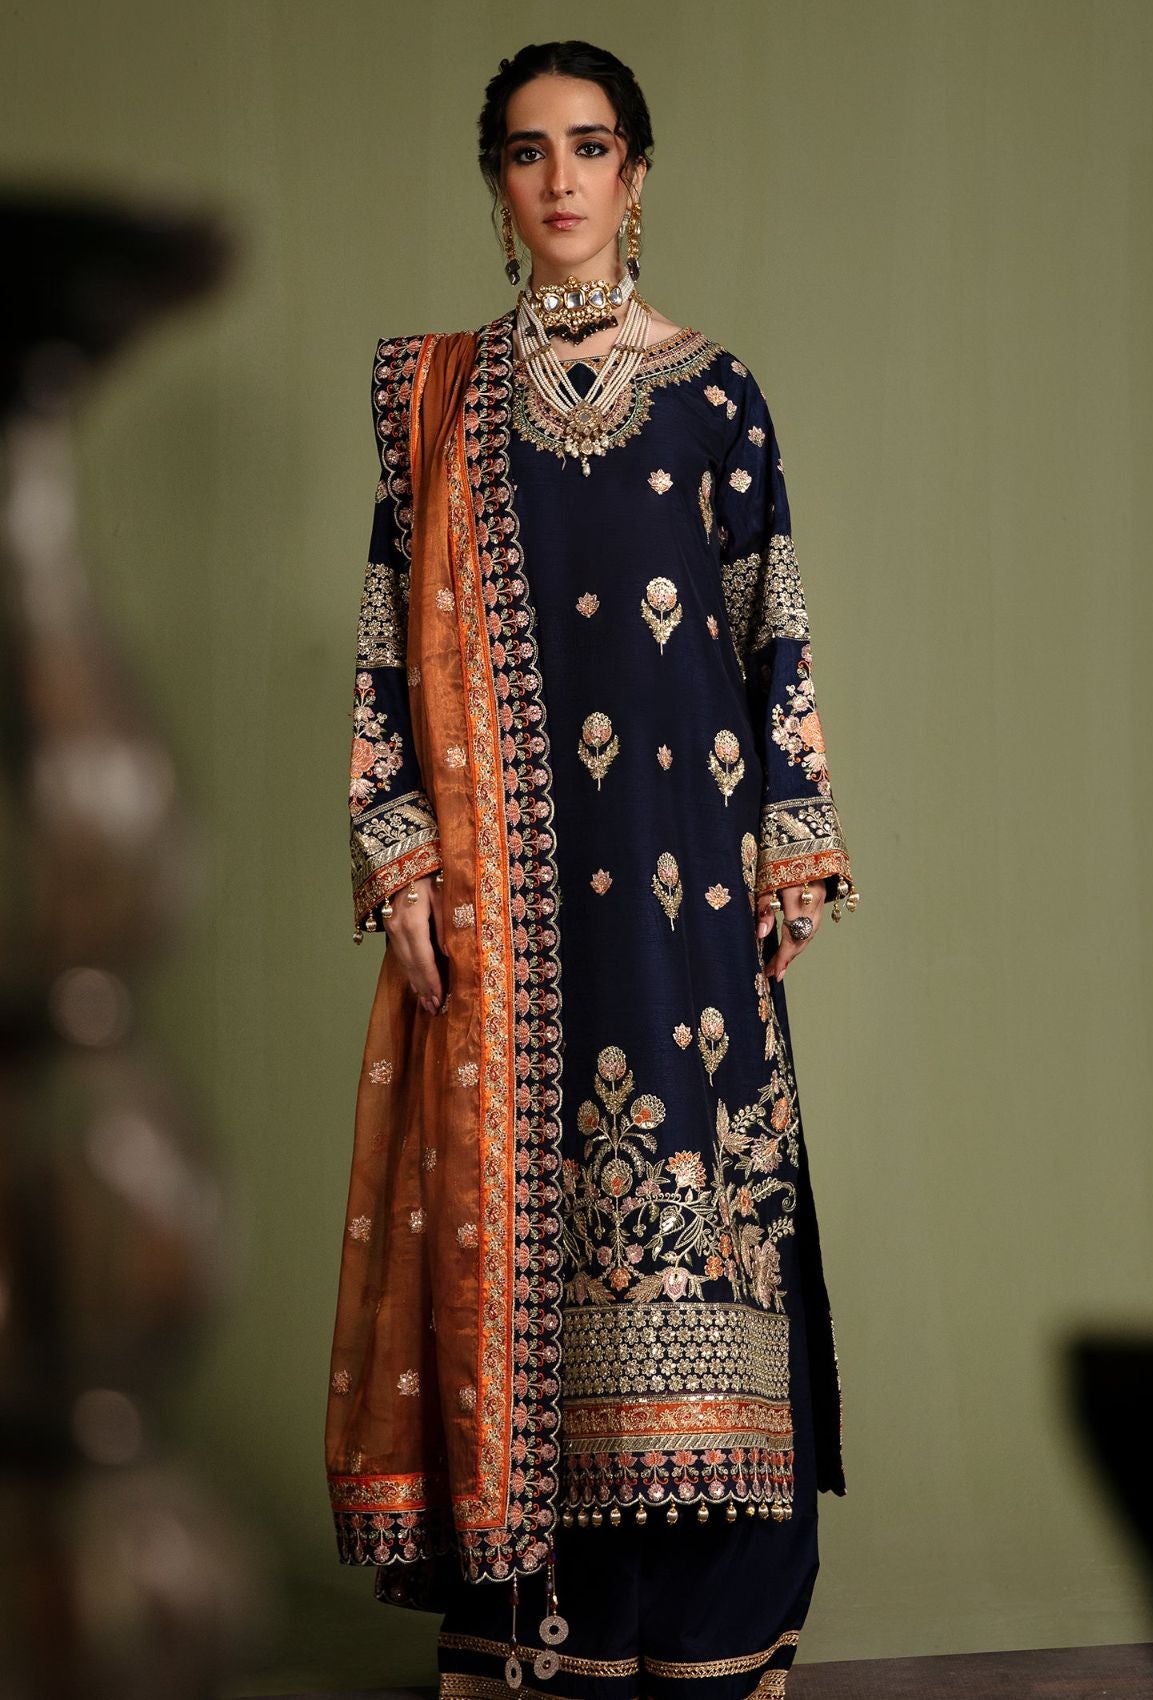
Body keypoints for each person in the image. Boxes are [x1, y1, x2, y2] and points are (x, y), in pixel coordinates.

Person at [325, 39, 859, 1700]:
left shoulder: (716, 395)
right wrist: (401, 859)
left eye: (590, 146)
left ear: (636, 176)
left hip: (685, 890)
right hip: (505, 907)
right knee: (518, 1244)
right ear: (498, 185)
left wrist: (793, 840)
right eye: (526, 150)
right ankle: (530, 1644)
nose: (558, 178)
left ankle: (707, 1638)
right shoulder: (445, 405)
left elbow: (773, 631)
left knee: (700, 1234)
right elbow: (384, 647)